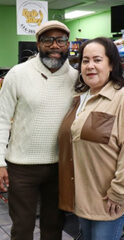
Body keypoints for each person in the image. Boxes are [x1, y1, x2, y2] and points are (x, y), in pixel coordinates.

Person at [58, 37, 124, 240]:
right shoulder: (80, 99)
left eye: (97, 60)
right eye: (85, 60)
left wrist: (119, 192)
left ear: (111, 64)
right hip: (84, 198)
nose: (90, 66)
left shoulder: (123, 97)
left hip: (110, 198)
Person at [0, 20, 78, 239]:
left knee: (54, 228)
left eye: (60, 40)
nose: (55, 46)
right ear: (38, 43)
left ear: (67, 44)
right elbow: (2, 119)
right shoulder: (17, 74)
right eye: (48, 40)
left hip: (60, 166)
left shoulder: (76, 78)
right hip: (22, 167)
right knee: (22, 228)